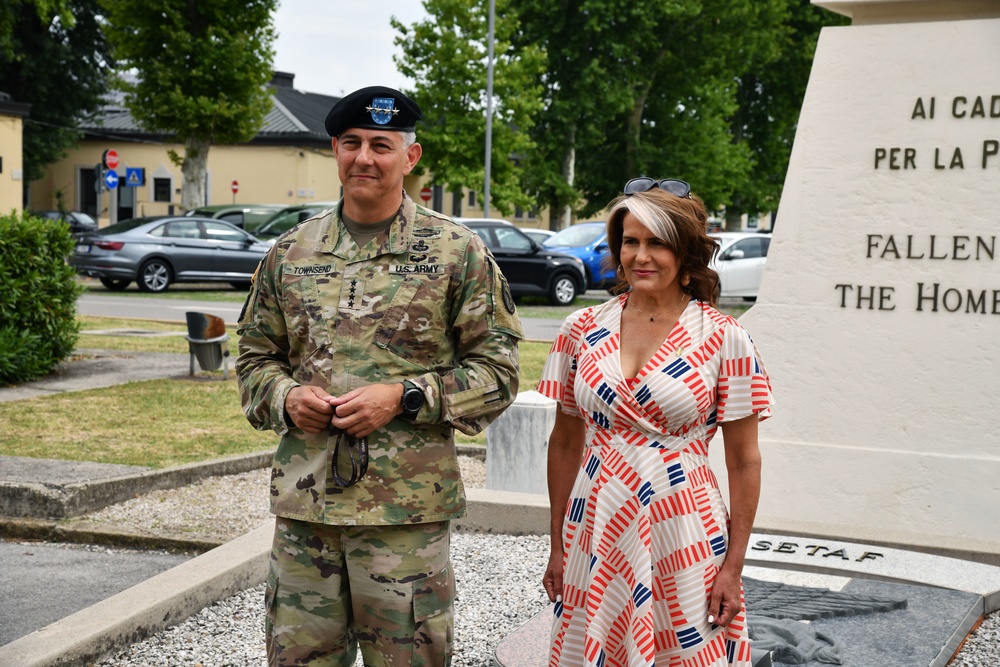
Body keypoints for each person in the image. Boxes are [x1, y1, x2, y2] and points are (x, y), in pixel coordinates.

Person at [236, 85, 523, 667]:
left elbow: (498, 373)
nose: (364, 157)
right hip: (306, 512)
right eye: (351, 143)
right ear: (335, 151)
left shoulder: (455, 252)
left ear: (410, 158)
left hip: (404, 518)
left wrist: (404, 396)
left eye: (380, 145)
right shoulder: (290, 253)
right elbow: (252, 360)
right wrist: (286, 398)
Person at [537, 178, 773, 667]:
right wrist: (557, 542)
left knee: (682, 650)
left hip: (683, 529)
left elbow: (745, 461)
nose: (640, 256)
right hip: (596, 524)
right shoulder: (580, 329)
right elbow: (563, 445)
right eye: (630, 241)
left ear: (685, 252)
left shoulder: (725, 338)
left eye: (657, 242)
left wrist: (733, 567)